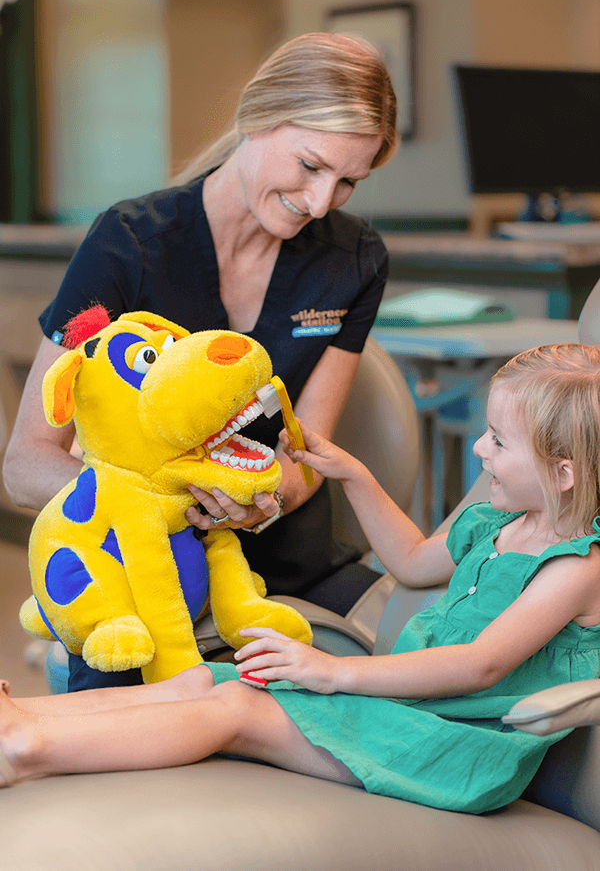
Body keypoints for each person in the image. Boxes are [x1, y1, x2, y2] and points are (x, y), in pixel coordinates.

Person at [2, 342, 600, 813]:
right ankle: (24, 718)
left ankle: (26, 751)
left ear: (564, 472)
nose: (479, 448)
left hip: (456, 749)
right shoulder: (496, 520)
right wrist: (356, 476)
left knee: (238, 706)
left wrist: (332, 671)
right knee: (204, 680)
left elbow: (482, 666)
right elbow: (415, 560)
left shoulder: (576, 566)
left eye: (497, 440)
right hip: (409, 711)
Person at [2, 33, 398, 690]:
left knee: (419, 692)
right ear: (256, 117)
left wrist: (261, 502)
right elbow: (24, 463)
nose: (321, 201)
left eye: (348, 180)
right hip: (143, 583)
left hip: (291, 571)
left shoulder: (354, 259)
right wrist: (155, 502)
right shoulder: (127, 245)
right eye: (309, 165)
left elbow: (308, 453)